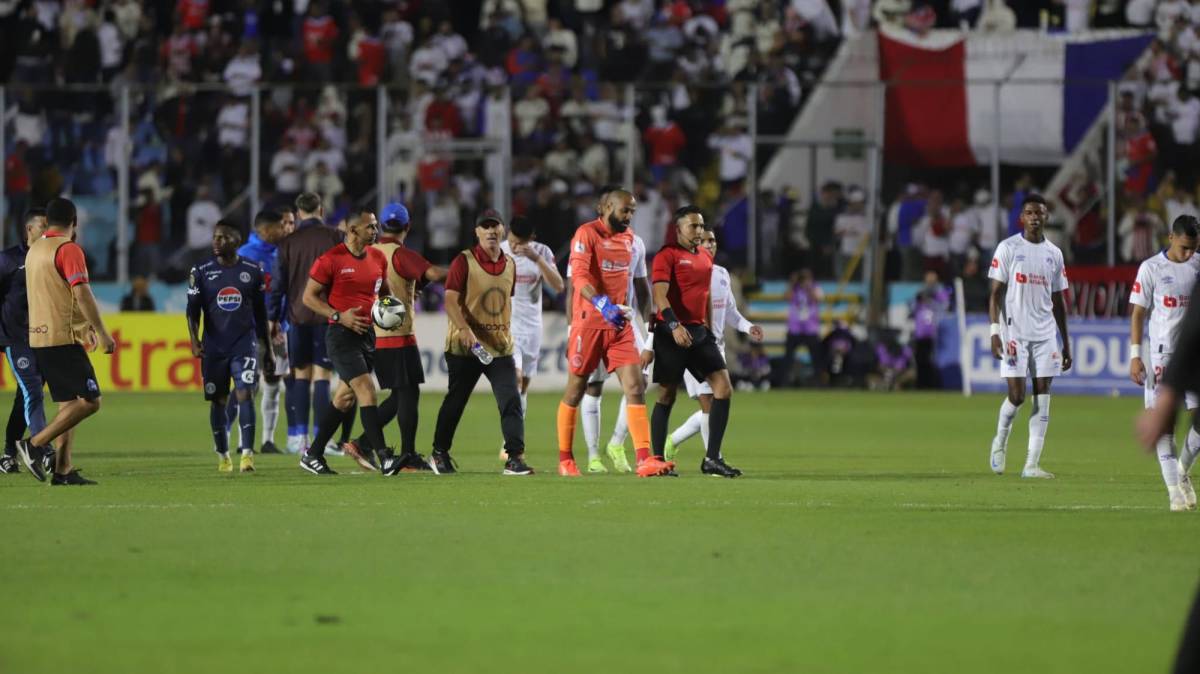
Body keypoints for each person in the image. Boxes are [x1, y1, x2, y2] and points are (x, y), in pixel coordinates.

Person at [556, 191, 670, 478]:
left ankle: (644, 459)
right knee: (576, 389)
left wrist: (649, 325)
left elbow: (640, 287)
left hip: (619, 326)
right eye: (625, 211)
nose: (629, 216)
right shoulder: (586, 234)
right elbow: (579, 276)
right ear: (606, 207)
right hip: (589, 323)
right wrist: (602, 304)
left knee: (635, 386)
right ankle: (566, 459)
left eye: (632, 211)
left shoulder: (631, 240)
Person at [15, 197, 115, 485]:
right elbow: (80, 293)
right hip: (61, 337)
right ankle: (34, 444)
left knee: (68, 402)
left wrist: (82, 327)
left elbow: (55, 295)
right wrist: (101, 331)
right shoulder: (68, 249)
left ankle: (62, 470)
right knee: (91, 401)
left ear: (47, 222)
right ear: (74, 223)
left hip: (39, 337)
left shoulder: (34, 251)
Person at [299, 209, 405, 476]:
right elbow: (309, 298)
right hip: (340, 336)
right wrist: (338, 315)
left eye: (376, 226)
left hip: (368, 335)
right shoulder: (331, 259)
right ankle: (384, 458)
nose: (375, 231)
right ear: (353, 230)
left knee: (344, 398)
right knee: (366, 390)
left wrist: (390, 313)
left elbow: (384, 295)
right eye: (370, 227)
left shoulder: (378, 257)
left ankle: (312, 455)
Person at [429, 209, 534, 476]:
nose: (490, 231)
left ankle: (515, 458)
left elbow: (504, 301)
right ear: (476, 232)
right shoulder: (463, 261)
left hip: (499, 347)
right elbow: (450, 299)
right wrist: (464, 329)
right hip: (465, 347)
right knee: (456, 401)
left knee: (511, 399)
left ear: (502, 231)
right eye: (484, 227)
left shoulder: (510, 263)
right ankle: (439, 453)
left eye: (494, 226)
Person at [348, 202, 446, 471]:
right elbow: (434, 273)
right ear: (407, 226)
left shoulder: (368, 251)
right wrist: (465, 273)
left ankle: (364, 443)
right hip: (397, 335)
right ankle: (407, 454)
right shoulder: (401, 254)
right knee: (407, 394)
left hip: (372, 334)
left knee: (402, 395)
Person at [647, 207, 742, 478]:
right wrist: (674, 325)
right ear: (678, 230)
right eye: (693, 227)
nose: (699, 231)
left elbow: (706, 294)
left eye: (701, 226)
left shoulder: (704, 256)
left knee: (723, 389)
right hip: (672, 332)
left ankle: (712, 458)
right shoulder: (667, 256)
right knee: (666, 394)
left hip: (700, 333)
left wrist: (710, 330)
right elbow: (660, 296)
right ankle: (656, 460)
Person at [987, 193, 1072, 479]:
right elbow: (995, 294)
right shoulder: (1008, 248)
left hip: (1046, 334)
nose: (1035, 217)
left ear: (1046, 217)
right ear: (1022, 218)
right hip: (1015, 333)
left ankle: (1031, 464)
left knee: (1043, 397)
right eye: (1029, 213)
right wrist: (995, 332)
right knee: (1017, 395)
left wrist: (1066, 343)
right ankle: (1000, 441)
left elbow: (1059, 301)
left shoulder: (1055, 254)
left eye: (1040, 213)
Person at [662, 228, 763, 461]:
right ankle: (713, 459)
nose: (710, 245)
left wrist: (748, 327)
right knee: (710, 403)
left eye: (713, 241)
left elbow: (730, 312)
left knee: (715, 405)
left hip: (716, 348)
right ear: (695, 243)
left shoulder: (721, 274)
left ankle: (674, 440)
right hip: (693, 347)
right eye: (705, 241)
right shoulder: (684, 272)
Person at [186, 222, 270, 473]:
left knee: (245, 393)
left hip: (244, 344)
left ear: (236, 240)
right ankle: (223, 454)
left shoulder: (253, 270)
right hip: (214, 346)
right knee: (219, 400)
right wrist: (194, 339)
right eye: (215, 237)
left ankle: (247, 455)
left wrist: (267, 349)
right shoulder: (201, 270)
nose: (216, 241)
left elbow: (260, 313)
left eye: (223, 237)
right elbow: (192, 310)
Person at [1129, 214, 1200, 510]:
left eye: (1194, 248)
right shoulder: (1151, 268)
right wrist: (1135, 356)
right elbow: (1137, 313)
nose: (1189, 254)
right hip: (1162, 355)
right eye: (1185, 247)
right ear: (1171, 238)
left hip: (1195, 356)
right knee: (1166, 427)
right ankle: (1173, 492)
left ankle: (1183, 470)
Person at [268, 192, 342, 454]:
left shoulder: (288, 242)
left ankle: (299, 438)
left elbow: (277, 285)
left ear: (299, 214)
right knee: (322, 375)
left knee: (300, 375)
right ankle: (323, 440)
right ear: (321, 210)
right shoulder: (335, 237)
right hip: (328, 316)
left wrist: (272, 318)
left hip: (296, 317)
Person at [0, 208, 50, 475]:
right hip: (15, 338)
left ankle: (9, 452)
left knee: (25, 398)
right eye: (43, 225)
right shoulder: (8, 260)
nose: (47, 230)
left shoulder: (50, 258)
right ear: (30, 229)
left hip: (42, 337)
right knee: (32, 390)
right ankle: (43, 448)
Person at [500, 215, 564, 416]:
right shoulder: (499, 251)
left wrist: (537, 259)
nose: (515, 245)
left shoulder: (542, 251)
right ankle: (509, 442)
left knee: (524, 386)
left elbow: (559, 286)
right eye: (512, 240)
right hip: (508, 326)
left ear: (531, 238)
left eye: (520, 242)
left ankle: (516, 433)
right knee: (515, 380)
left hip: (532, 326)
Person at [236, 210, 288, 454]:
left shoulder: (282, 252)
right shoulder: (245, 255)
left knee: (273, 381)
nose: (284, 231)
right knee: (248, 383)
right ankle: (241, 441)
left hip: (278, 330)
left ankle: (268, 440)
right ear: (265, 230)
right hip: (251, 331)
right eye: (280, 226)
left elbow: (287, 292)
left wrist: (281, 322)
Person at [784, 269, 824, 386]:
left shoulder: (815, 287)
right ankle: (785, 381)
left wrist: (808, 287)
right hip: (795, 328)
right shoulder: (795, 288)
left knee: (816, 357)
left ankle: (818, 380)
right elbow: (786, 297)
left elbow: (818, 298)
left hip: (810, 328)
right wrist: (792, 283)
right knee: (788, 357)